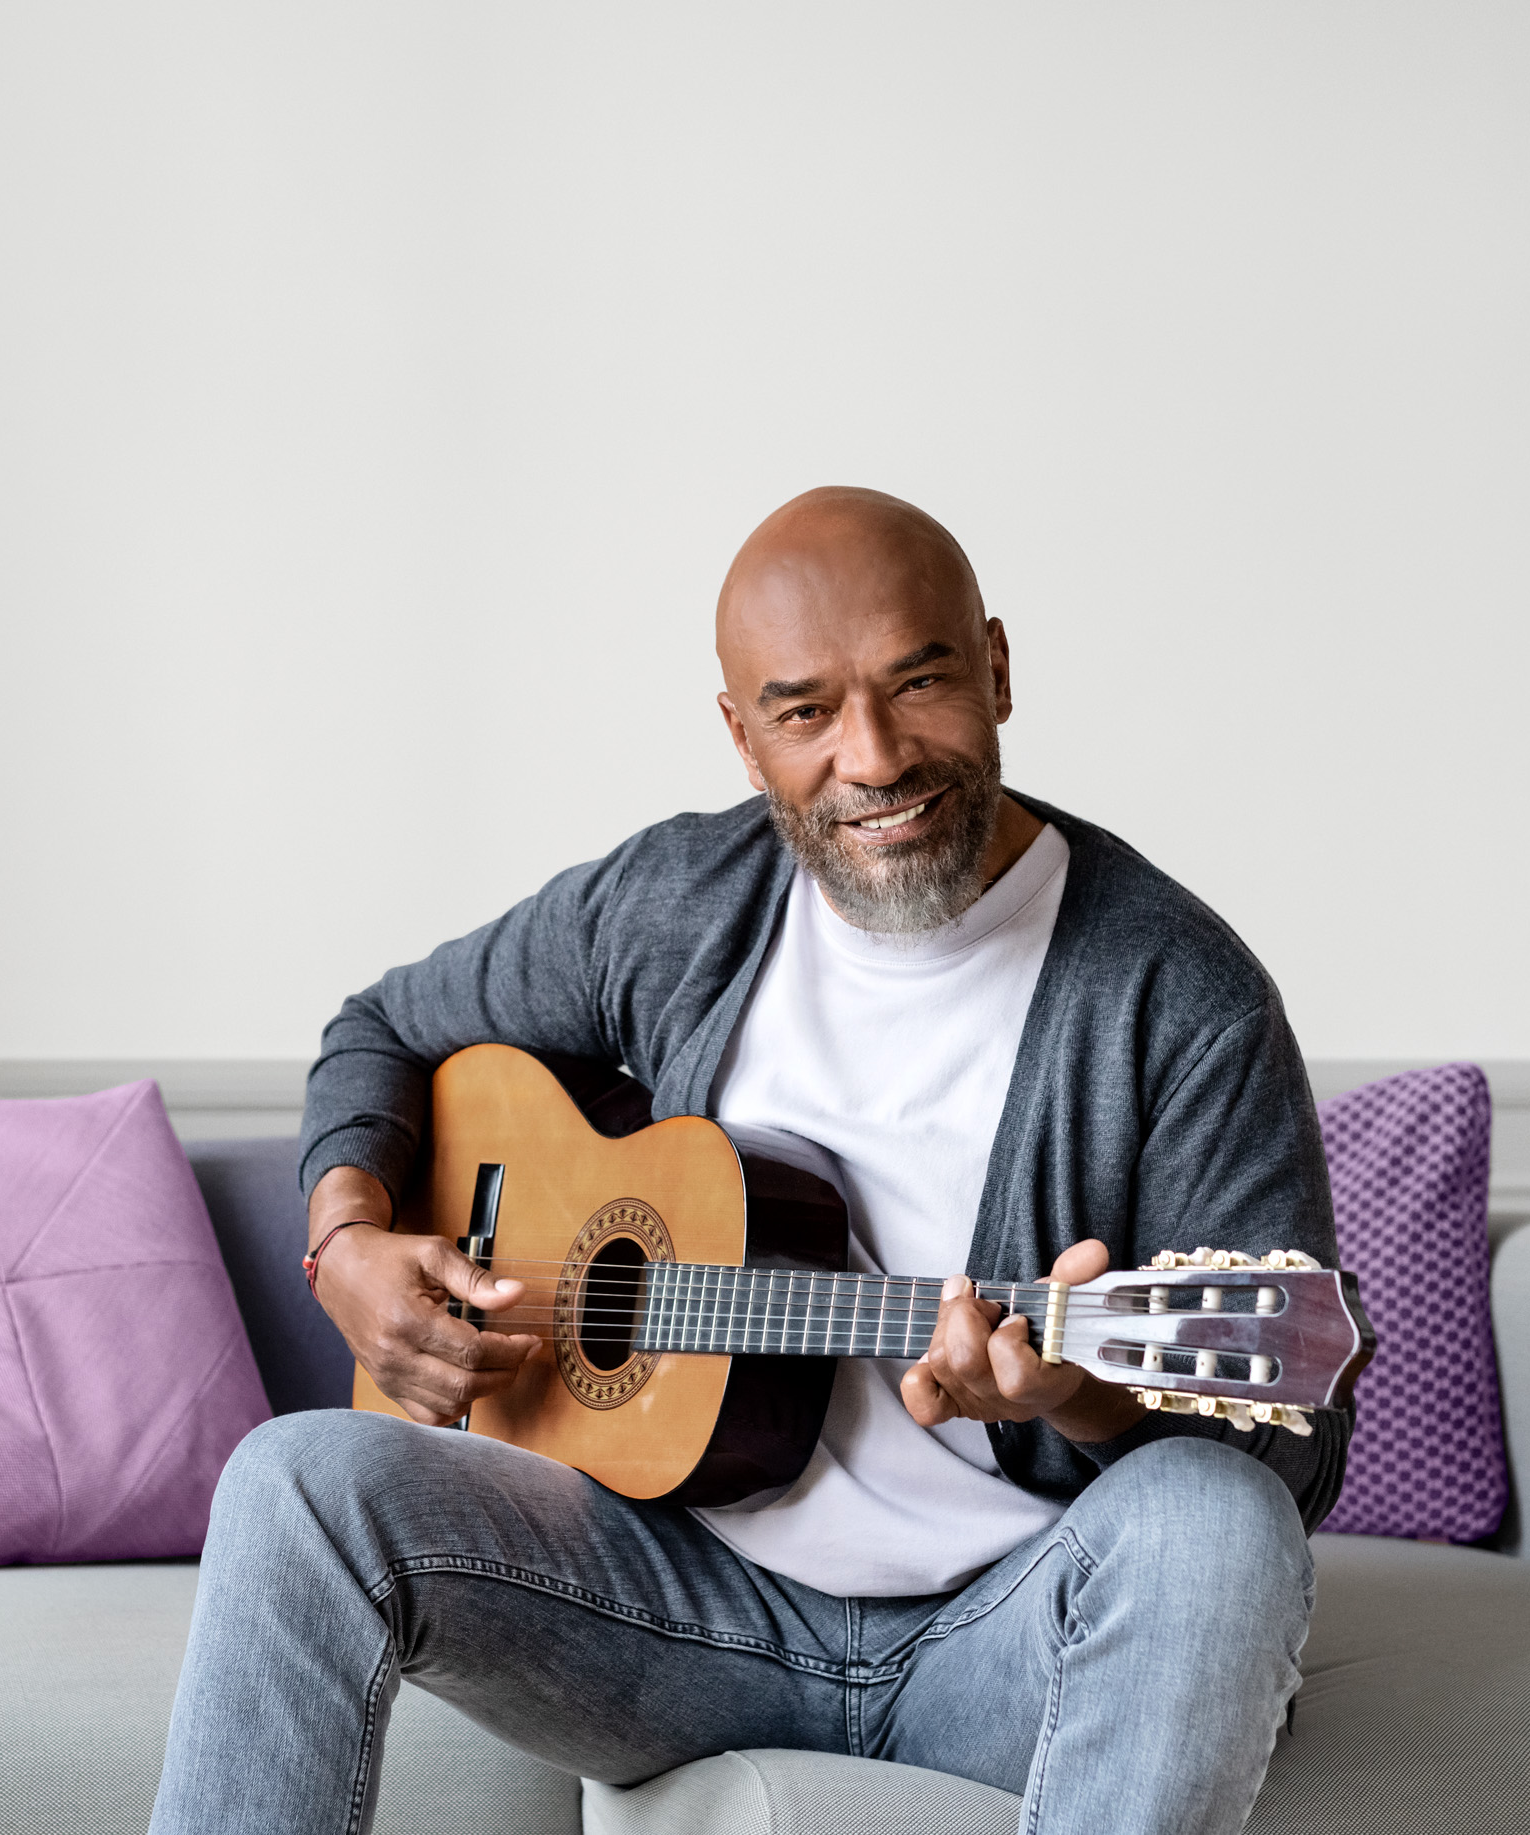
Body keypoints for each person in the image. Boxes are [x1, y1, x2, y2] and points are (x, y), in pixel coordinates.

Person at [150, 487, 1348, 1835]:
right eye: (804, 711)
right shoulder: (675, 904)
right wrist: (349, 1242)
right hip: (664, 1618)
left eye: (921, 682)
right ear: (739, 734)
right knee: (293, 1483)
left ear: (997, 668)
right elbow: (381, 1030)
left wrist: (1080, 1403)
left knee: (1215, 1526)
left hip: (1005, 1644)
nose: (874, 756)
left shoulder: (1173, 991)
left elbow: (1293, 1443)